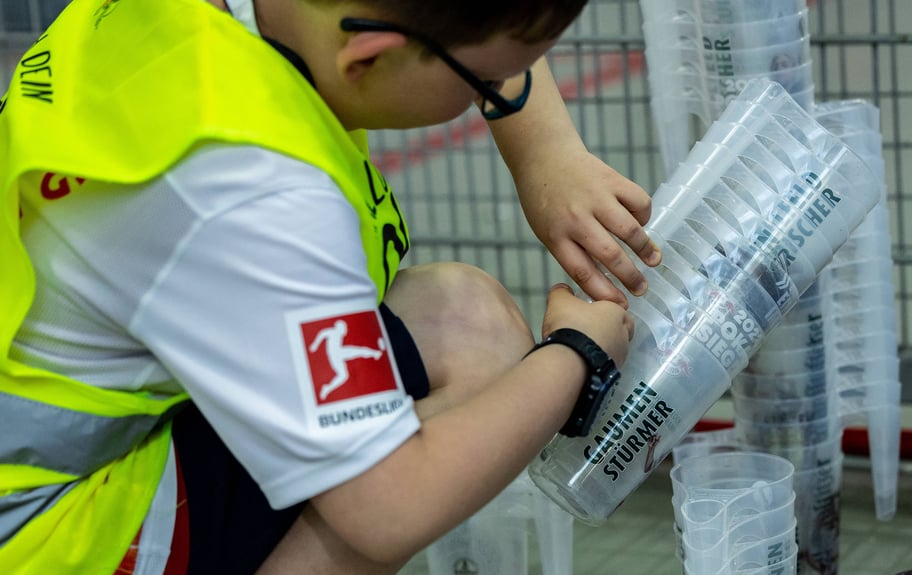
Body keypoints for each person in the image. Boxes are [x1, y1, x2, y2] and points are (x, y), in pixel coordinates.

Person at [0, 0, 661, 573]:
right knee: (473, 345)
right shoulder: (257, 189)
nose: (503, 97)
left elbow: (464, 20)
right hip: (47, 535)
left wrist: (549, 154)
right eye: (487, 84)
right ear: (369, 57)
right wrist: (577, 354)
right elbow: (388, 506)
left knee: (454, 319)